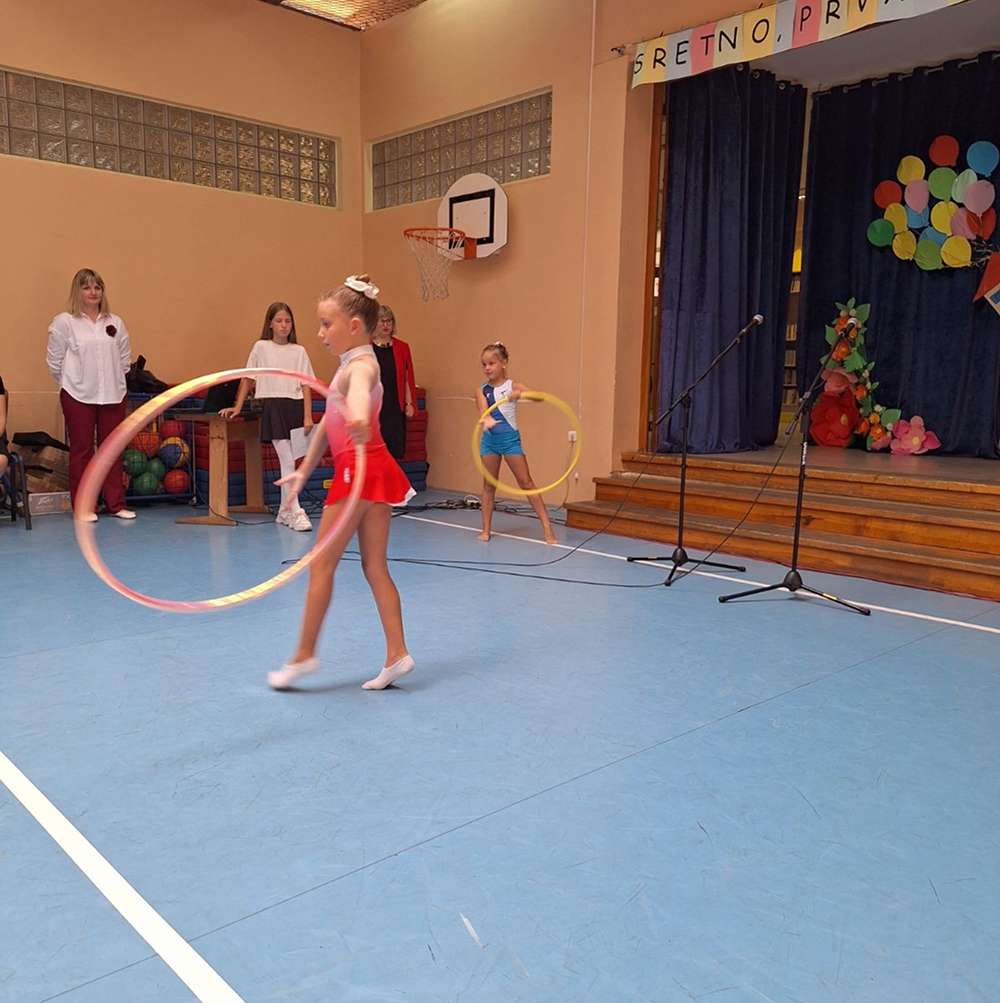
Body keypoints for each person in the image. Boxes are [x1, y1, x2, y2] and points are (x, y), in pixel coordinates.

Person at [268, 276, 415, 692]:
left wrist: (361, 416)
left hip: (358, 472)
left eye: (326, 324)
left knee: (321, 564)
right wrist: (304, 470)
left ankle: (303, 655)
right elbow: (327, 425)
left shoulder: (362, 366)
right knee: (374, 566)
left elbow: (360, 395)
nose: (320, 333)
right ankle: (397, 653)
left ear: (353, 326)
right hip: (375, 467)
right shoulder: (347, 366)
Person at [46, 269, 135, 521]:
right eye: (87, 287)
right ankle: (84, 506)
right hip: (77, 395)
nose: (93, 292)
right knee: (82, 450)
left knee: (112, 450)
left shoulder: (115, 322)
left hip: (113, 395)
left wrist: (114, 382)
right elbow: (54, 361)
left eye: (97, 287)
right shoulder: (64, 322)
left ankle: (116, 504)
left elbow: (124, 359)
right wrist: (71, 384)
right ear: (77, 292)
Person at [221, 302, 315, 531]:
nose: (284, 325)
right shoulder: (261, 347)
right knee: (286, 459)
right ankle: (296, 510)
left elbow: (306, 384)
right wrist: (237, 406)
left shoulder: (299, 351)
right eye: (279, 321)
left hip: (294, 406)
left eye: (288, 321)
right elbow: (248, 378)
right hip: (273, 406)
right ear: (270, 324)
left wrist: (307, 416)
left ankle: (283, 511)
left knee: (291, 461)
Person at [477, 341, 557, 545]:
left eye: (491, 363)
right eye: (484, 364)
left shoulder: (512, 386)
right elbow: (483, 412)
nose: (487, 368)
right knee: (489, 485)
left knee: (526, 482)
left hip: (510, 440)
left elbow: (539, 397)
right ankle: (485, 529)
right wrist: (486, 420)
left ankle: (547, 526)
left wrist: (521, 394)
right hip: (489, 442)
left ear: (503, 363)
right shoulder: (482, 390)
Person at [370, 304, 416, 460]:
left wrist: (409, 404)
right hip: (374, 407)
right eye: (381, 321)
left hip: (395, 406)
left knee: (394, 450)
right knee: (375, 451)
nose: (386, 325)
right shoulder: (366, 347)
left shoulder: (402, 347)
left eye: (389, 321)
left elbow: (407, 378)